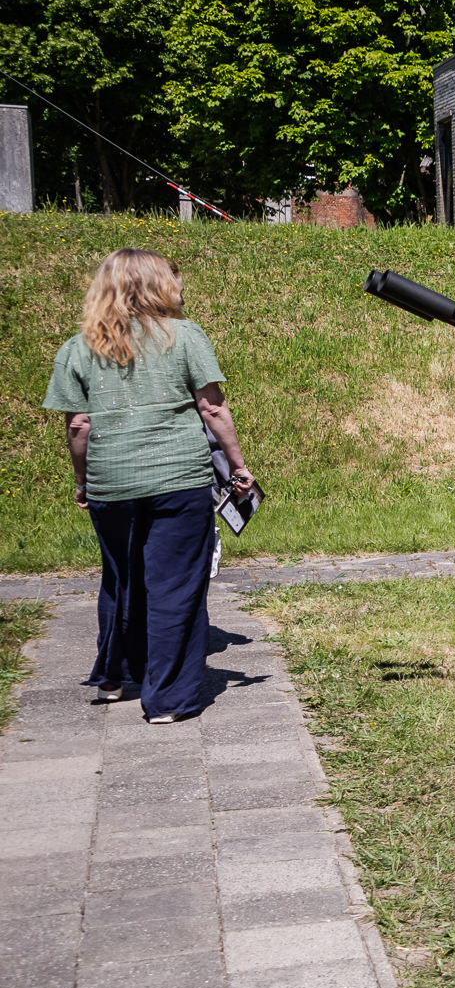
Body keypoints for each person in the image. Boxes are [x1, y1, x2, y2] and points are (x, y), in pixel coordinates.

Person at [43, 248, 254, 724]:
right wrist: (238, 466)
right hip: (177, 480)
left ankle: (117, 676)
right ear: (156, 285)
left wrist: (83, 480)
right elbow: (213, 408)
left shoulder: (78, 348)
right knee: (174, 585)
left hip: (109, 484)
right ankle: (169, 701)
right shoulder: (183, 337)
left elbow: (78, 425)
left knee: (121, 579)